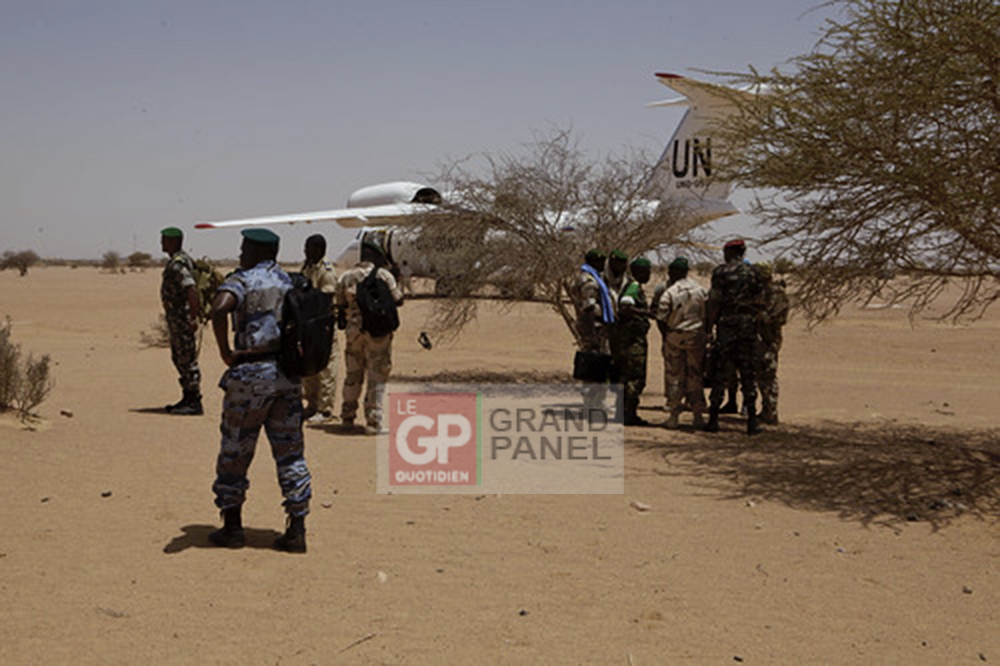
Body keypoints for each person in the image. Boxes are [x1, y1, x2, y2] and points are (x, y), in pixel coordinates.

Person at [208, 228, 312, 553]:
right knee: (290, 454)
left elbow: (219, 308)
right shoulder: (290, 281)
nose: (240, 254)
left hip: (251, 377)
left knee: (235, 451)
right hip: (287, 378)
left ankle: (232, 528)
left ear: (255, 252)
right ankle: (297, 529)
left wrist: (226, 352)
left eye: (244, 248)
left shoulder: (243, 280)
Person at [336, 240, 404, 434]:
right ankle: (373, 420)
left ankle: (347, 417)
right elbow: (398, 299)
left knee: (353, 375)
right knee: (377, 375)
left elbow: (340, 304)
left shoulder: (346, 277)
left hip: (354, 332)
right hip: (378, 333)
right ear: (374, 256)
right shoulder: (384, 275)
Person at [704, 239, 763, 435]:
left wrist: (709, 327)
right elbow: (760, 302)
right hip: (748, 326)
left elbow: (714, 301)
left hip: (727, 326)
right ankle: (752, 420)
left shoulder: (721, 272)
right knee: (748, 372)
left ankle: (713, 419)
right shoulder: (754, 273)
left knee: (720, 371)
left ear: (730, 252)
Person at [655, 257, 709, 429]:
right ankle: (698, 415)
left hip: (675, 337)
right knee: (695, 374)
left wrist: (666, 336)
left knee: (674, 376)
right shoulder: (700, 290)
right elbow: (708, 313)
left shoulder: (670, 292)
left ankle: (673, 416)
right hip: (696, 337)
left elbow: (661, 317)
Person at [159, 227, 203, 416]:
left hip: (181, 318)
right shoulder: (177, 261)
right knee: (179, 357)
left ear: (173, 242)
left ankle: (194, 401)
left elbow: (191, 289)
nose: (161, 243)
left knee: (186, 358)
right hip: (176, 317)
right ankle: (187, 397)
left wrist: (193, 317)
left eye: (164, 240)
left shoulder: (178, 264)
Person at [300, 234, 339, 423]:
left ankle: (325, 410)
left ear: (318, 250)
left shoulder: (326, 272)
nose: (305, 251)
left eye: (308, 248)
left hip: (323, 327)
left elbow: (326, 301)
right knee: (310, 367)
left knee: (326, 369)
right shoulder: (307, 268)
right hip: (309, 326)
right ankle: (312, 405)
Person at [615, 257, 652, 426]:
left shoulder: (630, 285)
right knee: (635, 378)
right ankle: (628, 414)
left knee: (625, 376)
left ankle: (624, 411)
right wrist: (645, 313)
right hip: (633, 342)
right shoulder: (633, 286)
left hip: (627, 340)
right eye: (647, 271)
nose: (649, 275)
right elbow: (625, 306)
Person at [755, 262, 790, 425]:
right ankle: (767, 410)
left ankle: (771, 411)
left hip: (769, 338)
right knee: (762, 375)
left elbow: (771, 317)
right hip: (763, 337)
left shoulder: (775, 292)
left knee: (768, 374)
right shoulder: (764, 291)